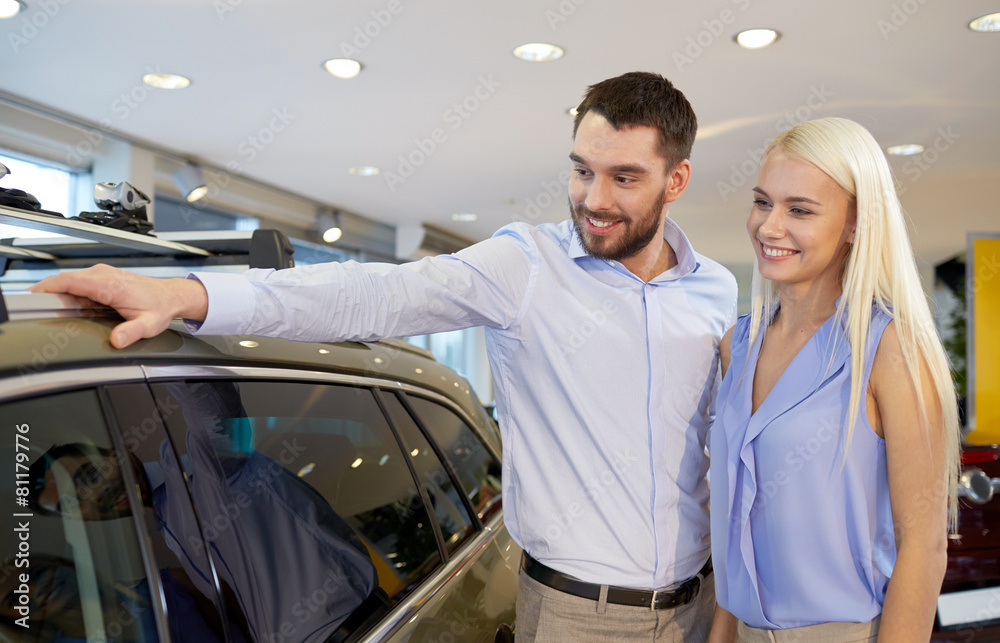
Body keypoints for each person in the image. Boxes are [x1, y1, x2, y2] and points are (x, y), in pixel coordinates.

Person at [34, 71, 738, 642]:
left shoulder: (714, 290)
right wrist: (188, 295)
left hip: (699, 604)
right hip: (575, 616)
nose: (593, 199)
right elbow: (370, 294)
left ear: (676, 180)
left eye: (624, 178)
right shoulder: (526, 265)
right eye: (582, 170)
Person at [706, 117, 960, 642]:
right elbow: (736, 531)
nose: (769, 227)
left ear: (855, 223)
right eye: (763, 202)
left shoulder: (891, 351)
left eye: (799, 210)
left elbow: (924, 549)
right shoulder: (738, 346)